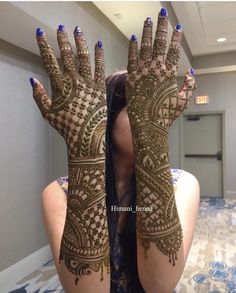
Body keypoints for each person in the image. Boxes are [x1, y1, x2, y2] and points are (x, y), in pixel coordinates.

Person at [30, 8, 200, 293]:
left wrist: (152, 135)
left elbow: (160, 285)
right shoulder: (59, 193)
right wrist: (85, 151)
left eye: (149, 104)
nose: (145, 114)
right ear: (105, 115)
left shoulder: (183, 184)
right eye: (133, 105)